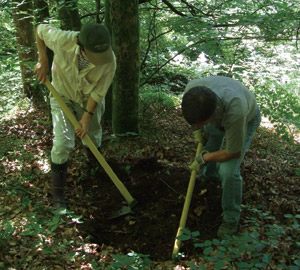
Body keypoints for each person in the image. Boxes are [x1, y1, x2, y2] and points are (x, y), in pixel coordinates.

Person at [34, 23, 116, 210]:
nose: (98, 60)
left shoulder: (110, 59)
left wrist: (86, 117)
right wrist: (43, 58)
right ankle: (58, 196)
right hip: (61, 94)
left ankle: (94, 171)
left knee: (93, 137)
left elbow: (98, 92)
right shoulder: (61, 39)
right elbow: (39, 29)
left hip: (88, 99)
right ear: (81, 46)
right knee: (62, 143)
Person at [181, 76, 261, 238]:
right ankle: (209, 179)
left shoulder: (236, 110)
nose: (197, 125)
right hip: (217, 114)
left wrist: (203, 158)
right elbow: (195, 121)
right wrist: (198, 131)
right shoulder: (192, 92)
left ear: (212, 114)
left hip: (245, 119)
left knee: (228, 170)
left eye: (200, 123)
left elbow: (233, 151)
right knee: (210, 146)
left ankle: (231, 218)